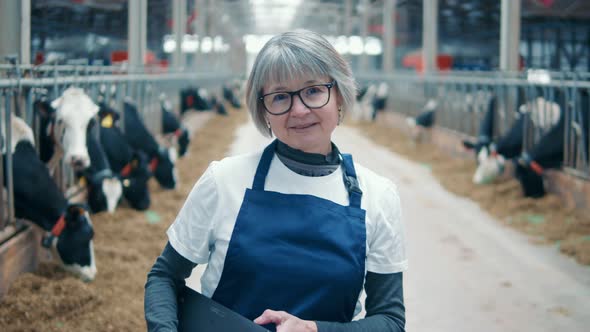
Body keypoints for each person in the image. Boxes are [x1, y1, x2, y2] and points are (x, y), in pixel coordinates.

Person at [144, 29, 407, 332]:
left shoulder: (378, 196)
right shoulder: (224, 180)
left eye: (313, 91)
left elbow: (389, 321)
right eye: (280, 97)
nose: (298, 109)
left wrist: (315, 330)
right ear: (265, 111)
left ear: (339, 96)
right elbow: (164, 276)